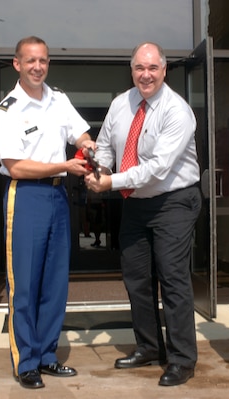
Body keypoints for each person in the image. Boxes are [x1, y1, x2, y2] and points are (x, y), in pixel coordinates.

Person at [85, 42, 201, 387]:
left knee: (173, 279)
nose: (145, 75)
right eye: (139, 68)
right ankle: (149, 347)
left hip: (173, 201)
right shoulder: (122, 103)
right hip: (134, 203)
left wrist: (109, 182)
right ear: (132, 70)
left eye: (152, 68)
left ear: (164, 71)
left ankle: (182, 359)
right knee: (136, 279)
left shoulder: (176, 110)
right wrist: (99, 166)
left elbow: (157, 168)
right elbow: (106, 144)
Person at [0, 36, 94, 390]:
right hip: (26, 197)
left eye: (43, 61)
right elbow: (15, 166)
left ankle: (48, 356)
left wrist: (87, 145)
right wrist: (63, 164)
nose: (38, 67)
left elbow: (79, 132)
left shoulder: (58, 99)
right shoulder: (8, 109)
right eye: (31, 61)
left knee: (55, 282)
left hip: (58, 197)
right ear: (17, 64)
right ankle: (27, 362)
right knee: (25, 283)